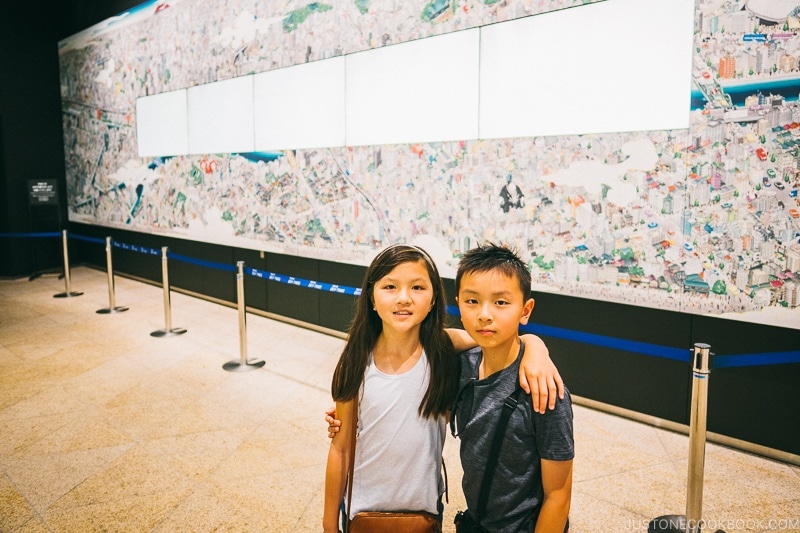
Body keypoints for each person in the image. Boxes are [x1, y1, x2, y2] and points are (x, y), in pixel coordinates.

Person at [323, 244, 563, 533]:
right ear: (371, 297)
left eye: (417, 287)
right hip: (362, 509)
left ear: (434, 299)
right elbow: (340, 449)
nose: (403, 298)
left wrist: (536, 347)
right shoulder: (356, 360)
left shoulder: (443, 351)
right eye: (389, 286)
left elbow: (491, 338)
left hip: (424, 512)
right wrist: (328, 523)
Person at [451, 243, 573, 532]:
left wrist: (534, 345)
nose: (484, 314)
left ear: (525, 309)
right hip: (474, 522)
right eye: (472, 302)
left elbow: (558, 495)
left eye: (501, 303)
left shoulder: (543, 389)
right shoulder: (462, 366)